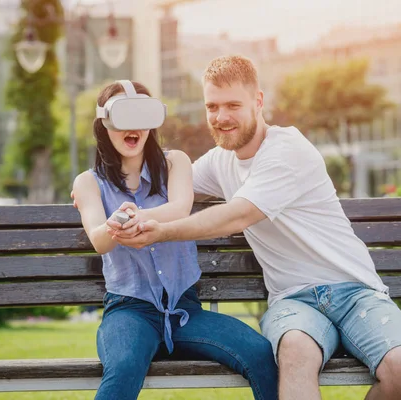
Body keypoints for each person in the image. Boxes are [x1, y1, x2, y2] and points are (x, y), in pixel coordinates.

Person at [98, 57, 401, 400]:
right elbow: (162, 186)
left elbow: (237, 215)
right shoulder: (219, 161)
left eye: (232, 105)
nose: (220, 116)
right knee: (296, 353)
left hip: (355, 289)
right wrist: (100, 192)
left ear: (258, 102)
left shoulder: (287, 150)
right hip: (292, 300)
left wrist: (162, 231)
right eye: (212, 106)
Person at [71, 79, 278, 400]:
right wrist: (116, 223)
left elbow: (180, 207)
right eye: (125, 117)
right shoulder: (88, 183)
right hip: (129, 311)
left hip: (186, 311)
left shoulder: (175, 162)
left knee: (260, 353)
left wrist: (137, 216)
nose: (135, 127)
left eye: (143, 116)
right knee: (124, 367)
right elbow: (99, 240)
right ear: (104, 124)